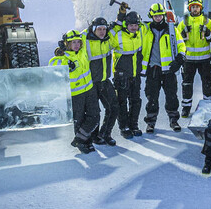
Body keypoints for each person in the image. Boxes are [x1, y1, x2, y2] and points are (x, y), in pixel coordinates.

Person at [138, 3, 187, 133]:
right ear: (151, 16)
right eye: (155, 16)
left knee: (171, 96)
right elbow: (133, 28)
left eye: (160, 15)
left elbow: (181, 45)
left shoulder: (171, 29)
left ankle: (173, 120)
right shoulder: (146, 29)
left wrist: (180, 58)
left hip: (169, 69)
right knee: (152, 97)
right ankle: (151, 122)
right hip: (153, 69)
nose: (158, 18)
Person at [49, 30, 97, 154]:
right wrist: (61, 57)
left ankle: (79, 139)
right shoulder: (63, 57)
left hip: (89, 90)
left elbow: (86, 31)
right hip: (76, 94)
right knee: (79, 120)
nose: (76, 45)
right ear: (67, 44)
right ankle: (85, 142)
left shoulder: (82, 51)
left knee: (94, 116)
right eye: (73, 42)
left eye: (78, 42)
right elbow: (52, 64)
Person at [176, 0, 211, 118]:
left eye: (197, 7)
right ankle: (186, 107)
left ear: (200, 8)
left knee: (207, 82)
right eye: (192, 7)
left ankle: (208, 104)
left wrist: (208, 32)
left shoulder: (207, 21)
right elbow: (177, 41)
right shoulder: (183, 22)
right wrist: (183, 34)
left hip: (204, 59)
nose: (195, 9)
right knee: (187, 83)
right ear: (189, 8)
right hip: (188, 60)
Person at [84, 17, 119, 145]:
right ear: (93, 29)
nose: (102, 32)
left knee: (114, 107)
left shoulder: (108, 40)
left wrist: (119, 19)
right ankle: (94, 136)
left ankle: (105, 134)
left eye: (104, 29)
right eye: (99, 29)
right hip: (90, 83)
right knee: (94, 112)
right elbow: (73, 42)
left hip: (104, 81)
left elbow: (116, 34)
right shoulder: (85, 40)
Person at [111, 9, 143, 138]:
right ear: (126, 25)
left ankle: (134, 124)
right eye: (131, 25)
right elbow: (108, 34)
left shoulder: (140, 33)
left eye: (135, 25)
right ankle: (124, 127)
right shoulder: (118, 35)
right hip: (121, 75)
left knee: (136, 101)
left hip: (135, 74)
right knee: (122, 102)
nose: (134, 28)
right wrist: (119, 18)